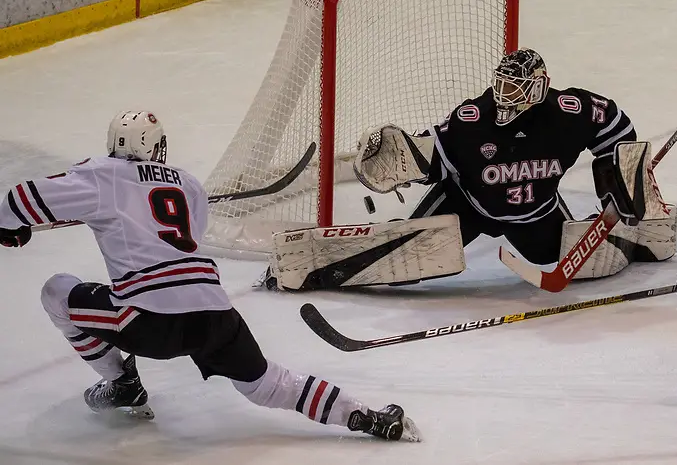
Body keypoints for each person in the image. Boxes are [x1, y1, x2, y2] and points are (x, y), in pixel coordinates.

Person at [0, 110, 420, 442]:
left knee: (57, 292)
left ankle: (122, 382)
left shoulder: (101, 173)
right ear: (158, 147)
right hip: (215, 316)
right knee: (266, 384)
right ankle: (365, 416)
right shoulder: (188, 183)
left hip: (148, 321)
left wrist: (10, 224)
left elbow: (20, 199)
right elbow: (183, 240)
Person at [264, 48, 676, 291]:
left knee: (573, 259)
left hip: (535, 215)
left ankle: (643, 236)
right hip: (468, 205)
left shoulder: (569, 112)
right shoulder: (472, 117)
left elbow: (616, 127)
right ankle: (315, 268)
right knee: (409, 257)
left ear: (538, 86)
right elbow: (430, 159)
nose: (503, 94)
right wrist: (400, 156)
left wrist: (620, 179)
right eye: (500, 83)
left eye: (514, 87)